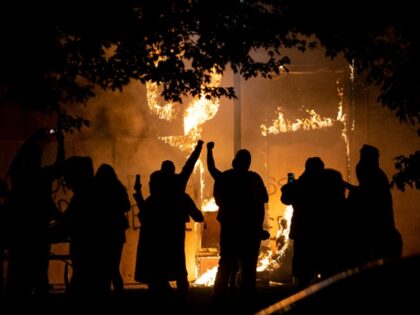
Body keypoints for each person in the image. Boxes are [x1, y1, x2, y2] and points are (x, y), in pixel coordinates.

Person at [5, 128, 64, 301]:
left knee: (18, 275)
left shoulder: (19, 177)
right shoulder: (40, 177)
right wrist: (61, 143)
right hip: (38, 234)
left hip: (20, 234)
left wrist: (33, 139)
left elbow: (18, 160)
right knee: (39, 275)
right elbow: (59, 166)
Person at [211, 146, 268, 301]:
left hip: (230, 229)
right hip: (251, 229)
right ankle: (246, 298)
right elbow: (264, 199)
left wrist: (209, 150)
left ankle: (219, 295)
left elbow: (212, 171)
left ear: (234, 162)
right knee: (248, 266)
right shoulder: (255, 178)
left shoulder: (225, 177)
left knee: (226, 263)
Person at [347, 145, 402, 262]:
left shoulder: (374, 176)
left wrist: (345, 186)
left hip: (379, 233)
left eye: (362, 156)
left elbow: (366, 194)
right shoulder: (376, 174)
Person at [94, 163, 131, 297]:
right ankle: (118, 295)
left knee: (103, 267)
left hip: (101, 234)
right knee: (113, 267)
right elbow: (127, 207)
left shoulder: (96, 191)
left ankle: (104, 294)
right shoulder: (119, 190)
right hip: (116, 233)